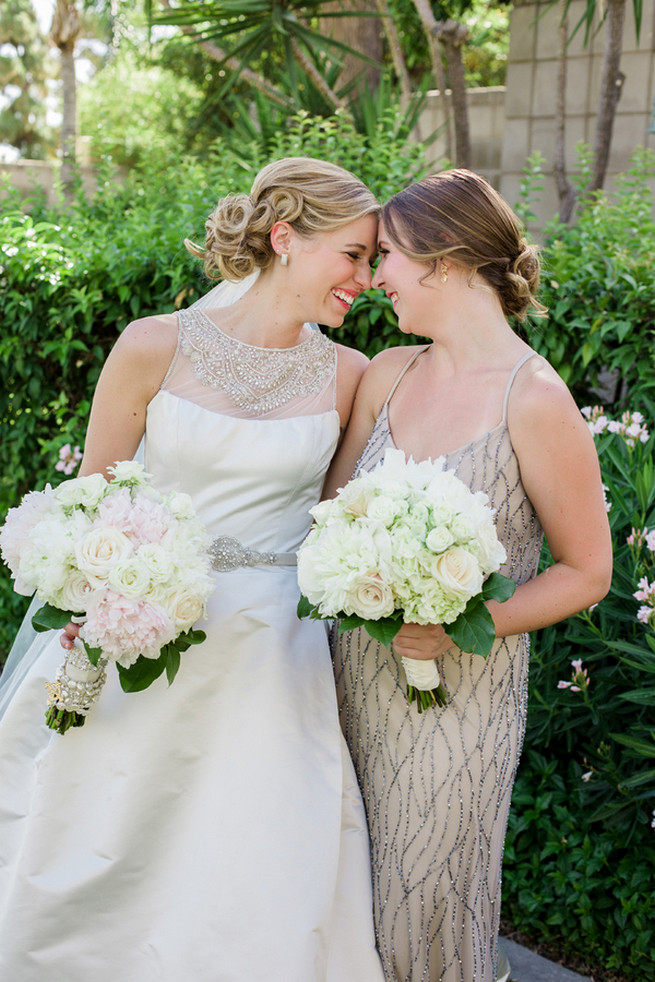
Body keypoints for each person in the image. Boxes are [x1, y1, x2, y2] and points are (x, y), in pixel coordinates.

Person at [0, 157, 386, 981]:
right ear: (285, 237)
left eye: (373, 259)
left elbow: (334, 522)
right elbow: (91, 499)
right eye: (353, 255)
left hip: (272, 654)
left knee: (256, 860)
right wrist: (92, 594)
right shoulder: (153, 346)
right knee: (101, 830)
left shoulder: (350, 376)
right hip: (139, 628)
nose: (367, 277)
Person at [325, 169, 613, 982]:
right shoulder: (386, 373)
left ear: (445, 262)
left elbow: (587, 570)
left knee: (424, 899)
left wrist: (458, 623)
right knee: (342, 898)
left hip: (460, 699)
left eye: (385, 255)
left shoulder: (535, 399)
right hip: (346, 681)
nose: (373, 276)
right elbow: (326, 518)